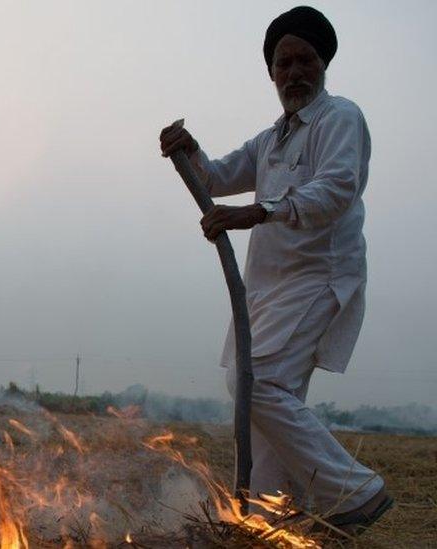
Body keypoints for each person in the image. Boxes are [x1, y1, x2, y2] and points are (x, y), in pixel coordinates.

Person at [159, 6, 391, 537]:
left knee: (255, 382)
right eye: (283, 63)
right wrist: (190, 151)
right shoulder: (270, 140)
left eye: (305, 60)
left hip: (318, 278)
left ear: (322, 64)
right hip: (267, 287)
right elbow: (216, 178)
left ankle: (355, 489)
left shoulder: (340, 119)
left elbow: (337, 189)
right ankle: (270, 520)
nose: (294, 72)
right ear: (270, 73)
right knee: (260, 394)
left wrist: (260, 211)